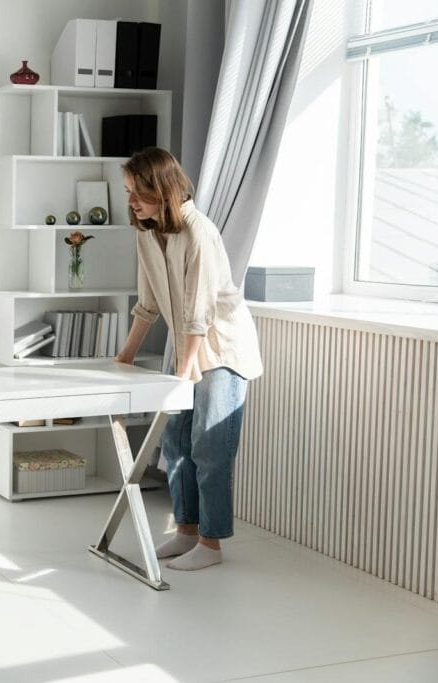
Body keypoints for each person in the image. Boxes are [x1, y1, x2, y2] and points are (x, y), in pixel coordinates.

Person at [114, 147, 263, 571]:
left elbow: (199, 311)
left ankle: (211, 545)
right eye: (127, 192)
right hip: (186, 349)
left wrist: (184, 371)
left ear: (162, 189)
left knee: (210, 447)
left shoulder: (198, 232)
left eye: (137, 192)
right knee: (176, 443)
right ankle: (185, 532)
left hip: (220, 351)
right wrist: (125, 355)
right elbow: (148, 302)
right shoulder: (146, 231)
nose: (131, 202)